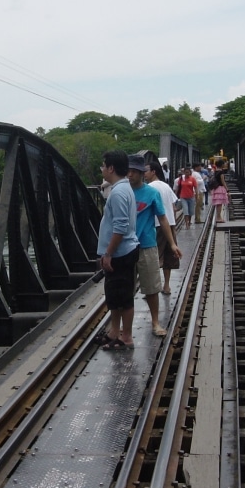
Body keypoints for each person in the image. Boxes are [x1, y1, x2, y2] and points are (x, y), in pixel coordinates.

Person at [128, 155, 180, 336]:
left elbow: (163, 218)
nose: (131, 174)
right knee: (124, 289)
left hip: (147, 245)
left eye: (135, 171)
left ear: (143, 173)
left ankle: (155, 323)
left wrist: (172, 243)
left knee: (152, 288)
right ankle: (121, 328)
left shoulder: (151, 193)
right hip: (125, 247)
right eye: (129, 170)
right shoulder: (121, 192)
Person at [97, 149, 140, 349]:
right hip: (121, 251)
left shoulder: (119, 192)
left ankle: (127, 337)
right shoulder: (122, 189)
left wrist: (108, 253)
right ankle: (115, 331)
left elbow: (120, 227)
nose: (102, 169)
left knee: (123, 296)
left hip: (121, 253)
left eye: (104, 166)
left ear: (111, 168)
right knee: (114, 295)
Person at [144, 161, 183, 295]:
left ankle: (152, 289)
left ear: (153, 171)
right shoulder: (166, 186)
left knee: (154, 258)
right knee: (169, 256)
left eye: (146, 171)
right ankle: (166, 286)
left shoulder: (149, 187)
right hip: (170, 224)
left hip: (157, 224)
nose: (144, 173)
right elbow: (174, 206)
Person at [210, 159, 231, 223]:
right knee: (220, 204)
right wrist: (227, 189)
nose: (225, 164)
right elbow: (223, 181)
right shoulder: (221, 172)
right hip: (220, 188)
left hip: (216, 188)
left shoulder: (216, 171)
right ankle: (218, 217)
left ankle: (218, 217)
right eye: (224, 163)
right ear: (221, 165)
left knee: (218, 204)